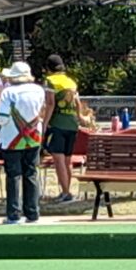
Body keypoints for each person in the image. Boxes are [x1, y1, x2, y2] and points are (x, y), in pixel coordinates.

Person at [0, 62, 46, 224]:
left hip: (12, 140)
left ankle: (13, 214)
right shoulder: (39, 90)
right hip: (33, 138)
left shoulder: (8, 93)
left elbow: (2, 118)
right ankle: (32, 213)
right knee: (31, 173)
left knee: (13, 175)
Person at [42, 54, 81, 203]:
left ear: (49, 68)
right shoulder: (70, 81)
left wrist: (45, 124)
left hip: (58, 124)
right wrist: (80, 117)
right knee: (67, 161)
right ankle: (67, 190)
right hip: (72, 125)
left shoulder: (50, 81)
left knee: (58, 160)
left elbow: (50, 103)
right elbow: (77, 102)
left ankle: (66, 193)